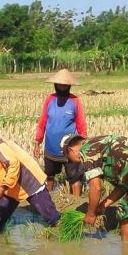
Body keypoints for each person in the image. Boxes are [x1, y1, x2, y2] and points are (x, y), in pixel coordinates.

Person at [62, 133, 128, 251]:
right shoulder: (97, 145)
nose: (72, 162)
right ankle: (127, 254)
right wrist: (104, 205)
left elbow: (96, 187)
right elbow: (122, 186)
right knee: (124, 210)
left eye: (68, 157)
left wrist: (91, 214)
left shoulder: (86, 150)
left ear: (70, 150)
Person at [33, 68, 87, 196]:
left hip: (70, 148)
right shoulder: (50, 100)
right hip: (51, 146)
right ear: (55, 85)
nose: (62, 86)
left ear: (69, 86)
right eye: (59, 84)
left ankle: (76, 203)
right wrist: (37, 142)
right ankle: (49, 199)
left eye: (65, 84)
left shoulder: (75, 101)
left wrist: (82, 143)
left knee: (74, 178)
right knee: (49, 176)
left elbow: (81, 124)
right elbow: (43, 122)